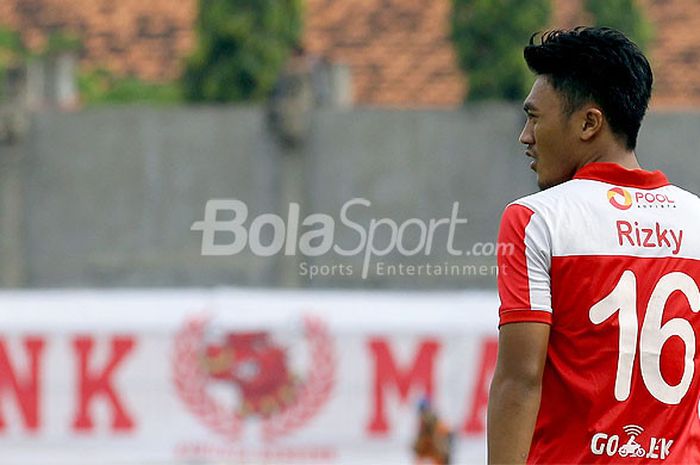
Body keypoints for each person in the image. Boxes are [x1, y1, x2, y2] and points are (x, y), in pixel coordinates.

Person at [488, 27, 700, 464]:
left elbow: (520, 380)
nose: (525, 136)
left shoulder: (535, 219)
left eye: (534, 117)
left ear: (589, 123)